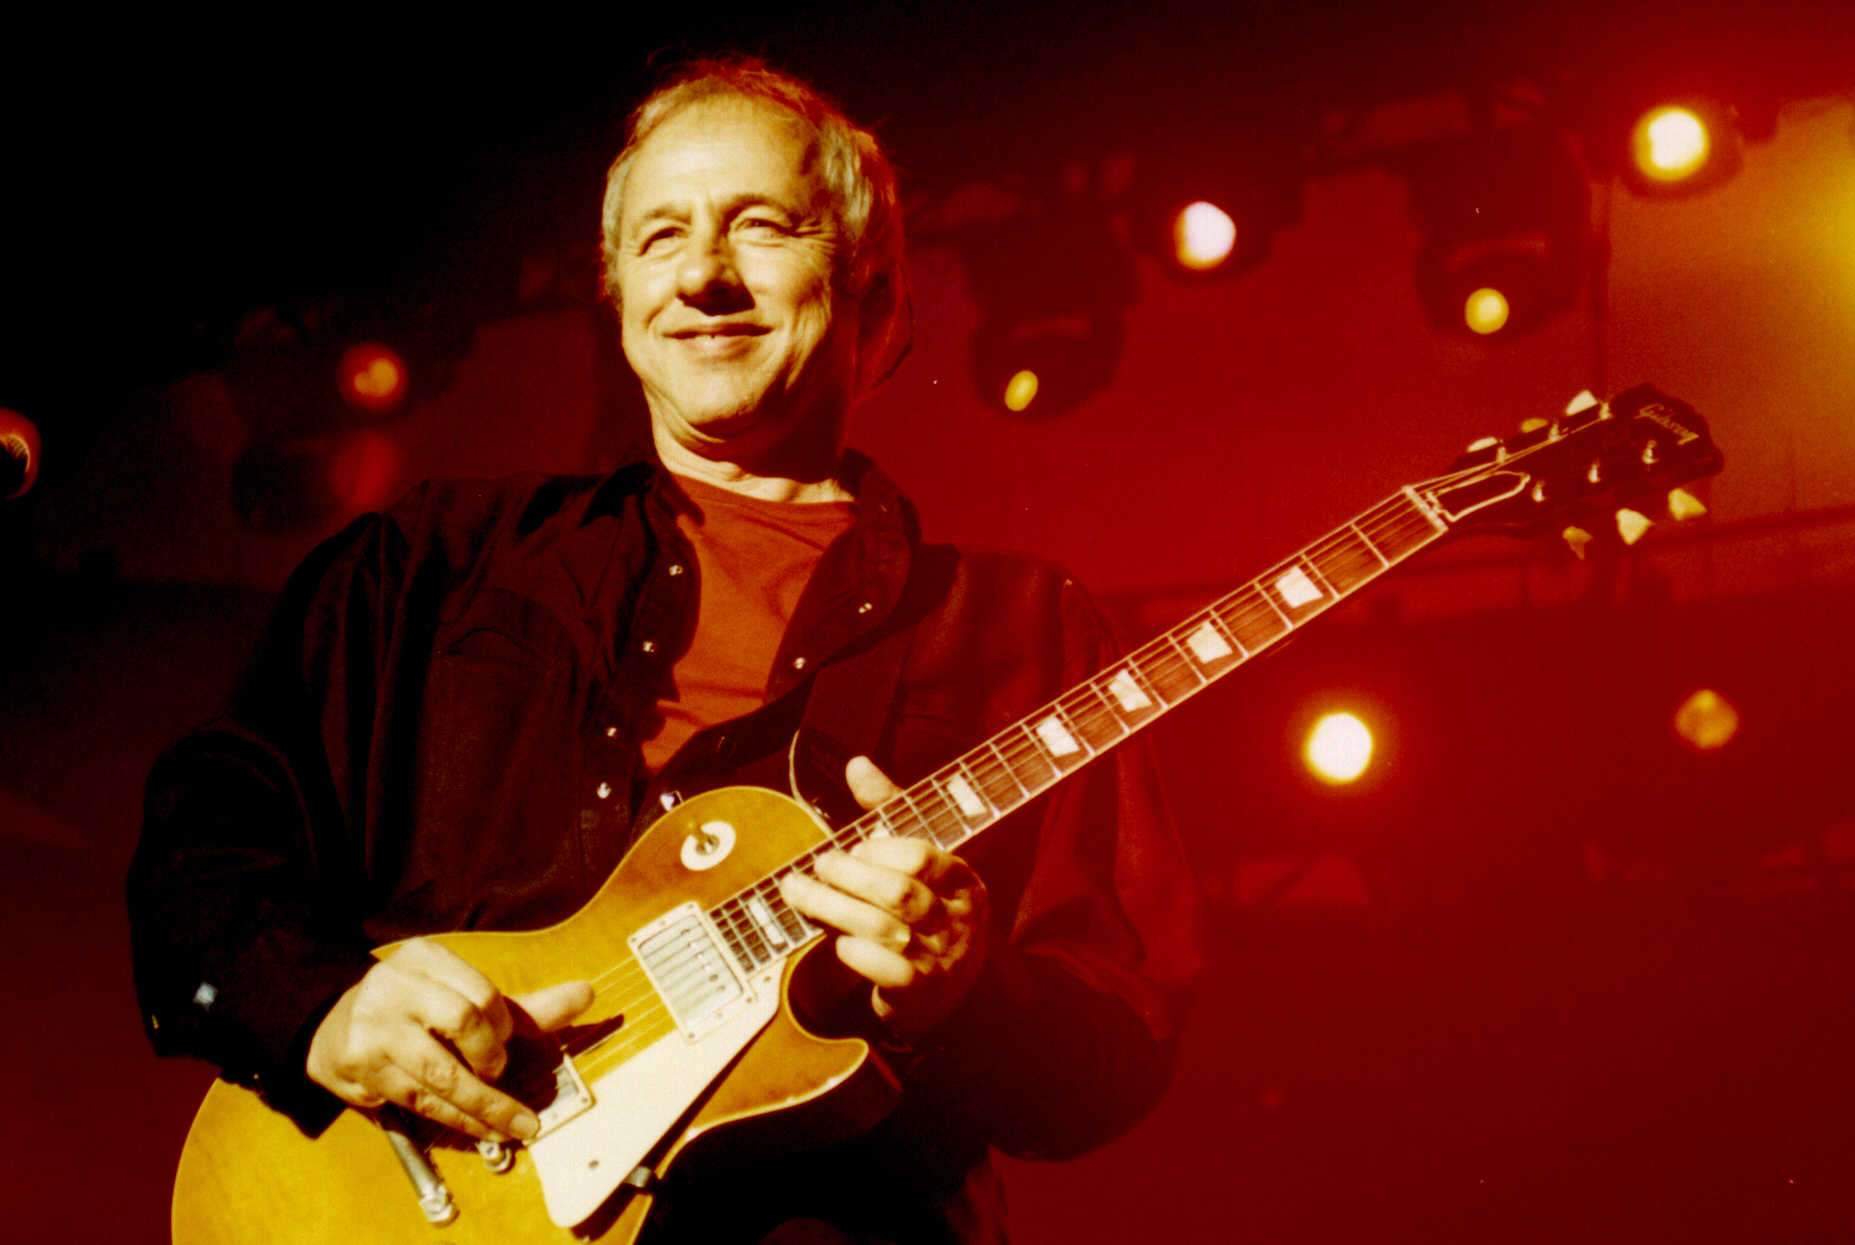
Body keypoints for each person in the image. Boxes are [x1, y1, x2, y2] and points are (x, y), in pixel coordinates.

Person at [129, 57, 1199, 1243]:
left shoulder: (1021, 628)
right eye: (660, 238)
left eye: (762, 227)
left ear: (873, 290)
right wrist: (323, 1010)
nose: (702, 276)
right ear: (620, 295)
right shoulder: (431, 565)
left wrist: (966, 990)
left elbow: (1115, 1048)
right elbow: (202, 852)